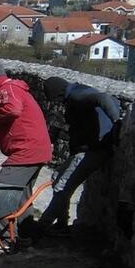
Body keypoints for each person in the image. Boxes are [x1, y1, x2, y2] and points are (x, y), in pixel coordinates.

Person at [37, 76, 121, 235]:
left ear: (58, 94)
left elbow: (103, 98)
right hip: (90, 149)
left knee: (62, 186)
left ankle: (41, 227)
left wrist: (117, 122)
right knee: (57, 179)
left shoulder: (77, 96)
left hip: (92, 150)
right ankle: (61, 224)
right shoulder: (79, 92)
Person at [0, 62, 53, 195]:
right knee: (19, 197)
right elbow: (9, 130)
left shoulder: (7, 89)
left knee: (0, 193)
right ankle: (23, 217)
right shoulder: (8, 90)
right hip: (34, 149)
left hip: (26, 151)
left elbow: (13, 110)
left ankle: (0, 217)